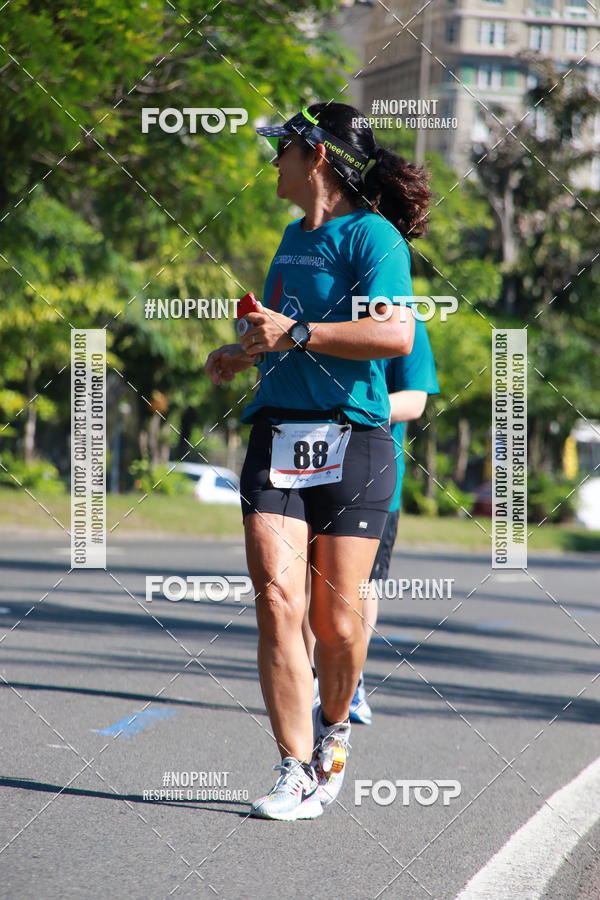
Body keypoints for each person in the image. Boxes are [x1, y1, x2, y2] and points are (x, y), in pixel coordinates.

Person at [205, 102, 431, 821]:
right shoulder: (286, 235)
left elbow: (394, 335)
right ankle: (293, 771)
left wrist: (297, 331)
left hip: (355, 439)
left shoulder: (374, 236)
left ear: (319, 157)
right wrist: (244, 350)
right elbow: (281, 335)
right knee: (278, 604)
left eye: (284, 149)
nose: (274, 161)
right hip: (278, 434)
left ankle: (335, 732)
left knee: (336, 623)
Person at [304, 319, 440, 725]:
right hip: (311, 471)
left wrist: (352, 409)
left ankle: (352, 679)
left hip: (375, 480)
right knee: (313, 583)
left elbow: (415, 402)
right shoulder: (319, 317)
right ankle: (314, 679)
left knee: (361, 587)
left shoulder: (405, 323)